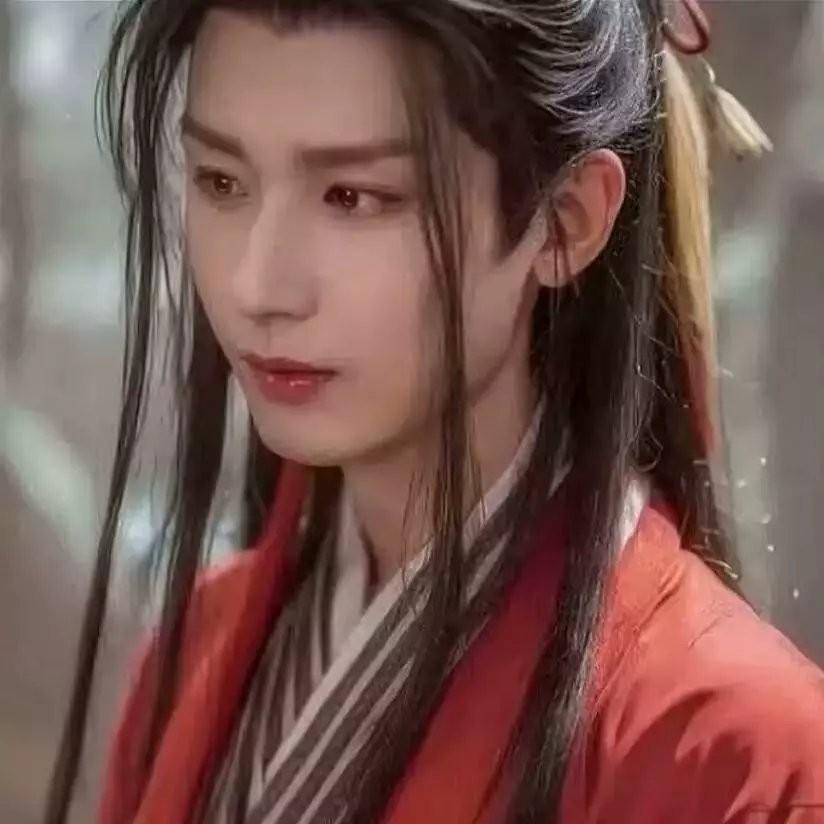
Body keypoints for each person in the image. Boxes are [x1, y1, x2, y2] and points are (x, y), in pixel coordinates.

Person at [45, 1, 824, 823]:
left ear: (565, 221)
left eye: (352, 196)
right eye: (222, 182)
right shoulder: (191, 657)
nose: (257, 286)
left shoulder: (739, 747)